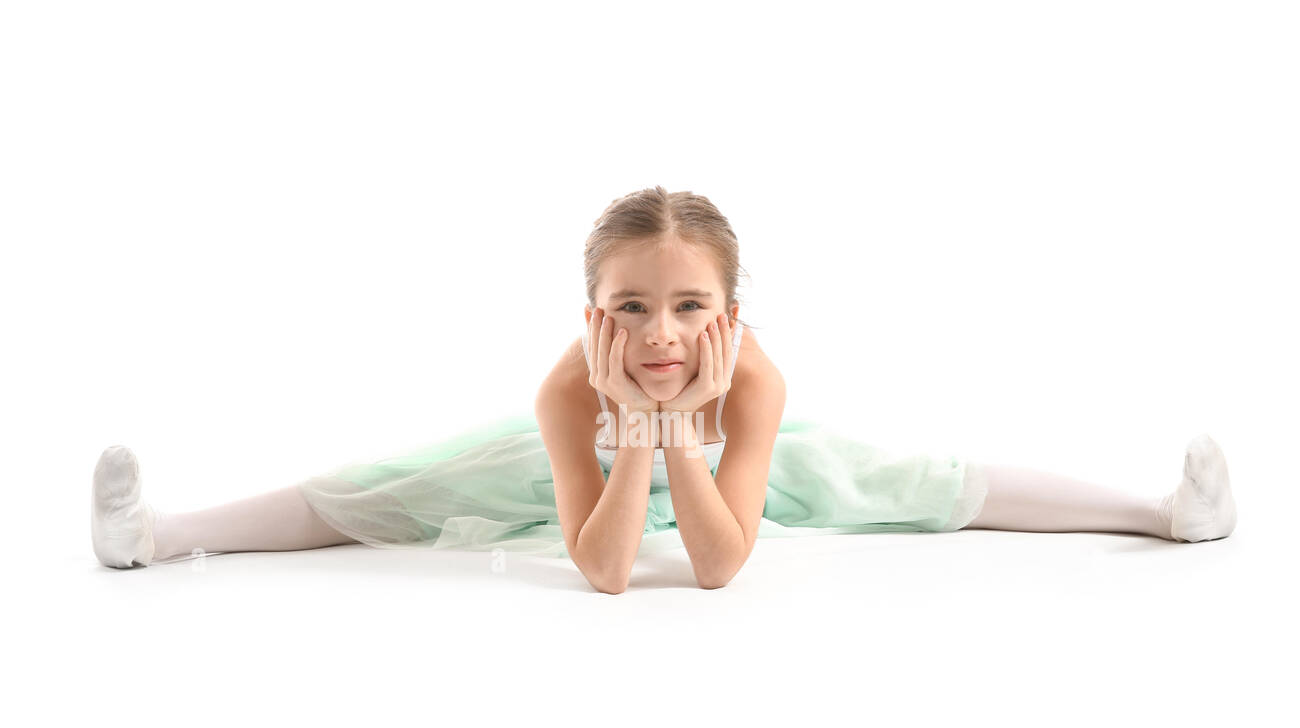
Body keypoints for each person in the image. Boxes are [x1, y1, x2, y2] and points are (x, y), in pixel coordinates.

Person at [91, 186, 1238, 591]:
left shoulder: (756, 376)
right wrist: (631, 427)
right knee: (376, 486)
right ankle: (159, 534)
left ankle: (1163, 513)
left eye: (689, 308)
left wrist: (679, 433)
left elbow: (719, 559)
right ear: (594, 313)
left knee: (912, 476)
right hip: (589, 465)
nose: (660, 331)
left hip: (733, 460)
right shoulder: (562, 385)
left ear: (729, 317)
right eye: (631, 307)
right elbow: (602, 566)